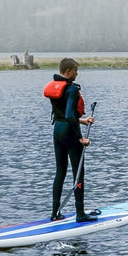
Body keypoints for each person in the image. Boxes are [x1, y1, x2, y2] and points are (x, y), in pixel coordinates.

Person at [44, 58, 95, 222]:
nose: (77, 74)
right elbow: (69, 115)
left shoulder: (56, 87)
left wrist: (83, 121)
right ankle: (80, 213)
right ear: (68, 72)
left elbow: (62, 115)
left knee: (60, 172)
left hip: (58, 131)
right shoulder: (71, 89)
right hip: (70, 133)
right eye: (75, 71)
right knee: (78, 173)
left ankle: (55, 213)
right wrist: (81, 138)